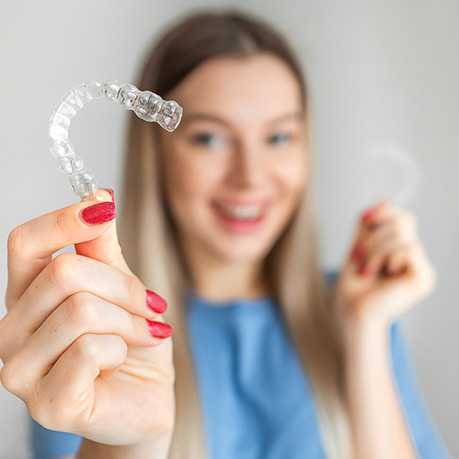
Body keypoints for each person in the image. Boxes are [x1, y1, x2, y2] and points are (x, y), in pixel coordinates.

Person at [0, 10, 451, 459]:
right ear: (155, 152)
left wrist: (364, 331)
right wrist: (130, 440)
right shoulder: (96, 333)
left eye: (278, 138)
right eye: (210, 139)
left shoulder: (358, 317)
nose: (250, 178)